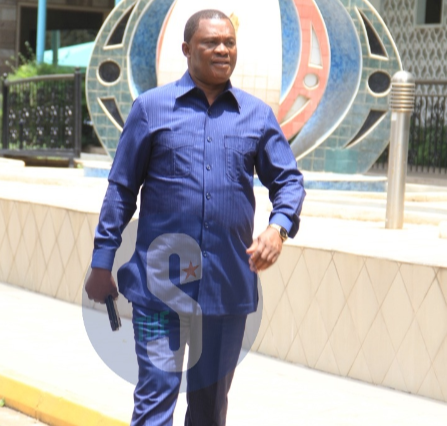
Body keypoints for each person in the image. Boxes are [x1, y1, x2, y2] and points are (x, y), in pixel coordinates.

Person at [85, 9, 305, 426]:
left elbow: (289, 182)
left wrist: (278, 228)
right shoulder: (151, 110)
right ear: (187, 49)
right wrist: (102, 261)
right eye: (211, 42)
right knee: (154, 405)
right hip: (159, 289)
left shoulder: (256, 115)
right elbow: (121, 189)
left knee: (209, 411)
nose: (222, 49)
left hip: (226, 289)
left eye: (229, 42)